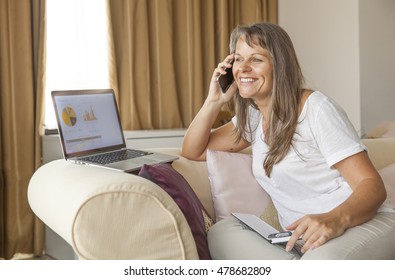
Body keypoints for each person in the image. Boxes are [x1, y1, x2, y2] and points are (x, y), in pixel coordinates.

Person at [181, 22, 395, 259]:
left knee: (319, 263)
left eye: (256, 60)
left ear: (280, 65)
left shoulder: (316, 108)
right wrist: (214, 101)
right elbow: (193, 151)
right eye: (238, 59)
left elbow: (372, 186)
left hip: (357, 224)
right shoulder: (254, 117)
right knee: (222, 232)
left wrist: (334, 219)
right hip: (301, 239)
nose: (243, 68)